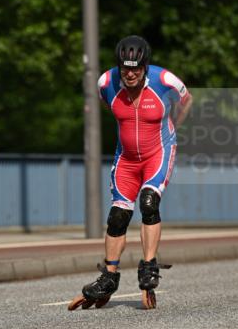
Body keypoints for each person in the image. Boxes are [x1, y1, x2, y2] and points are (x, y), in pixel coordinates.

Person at [81, 35, 192, 304]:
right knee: (118, 216)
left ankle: (149, 265)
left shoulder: (165, 80)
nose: (130, 74)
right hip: (127, 159)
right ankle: (108, 277)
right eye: (125, 68)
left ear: (145, 67)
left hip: (158, 153)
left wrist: (171, 125)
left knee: (149, 202)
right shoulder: (106, 83)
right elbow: (109, 105)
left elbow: (187, 100)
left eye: (136, 69)